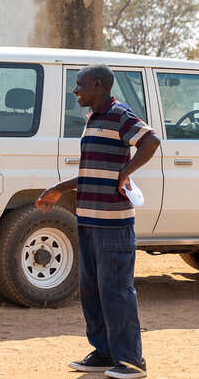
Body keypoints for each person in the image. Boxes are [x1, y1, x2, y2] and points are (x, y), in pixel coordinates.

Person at [36, 64, 160, 379]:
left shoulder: (120, 114)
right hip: (88, 220)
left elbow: (152, 141)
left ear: (97, 84)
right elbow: (93, 171)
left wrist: (126, 172)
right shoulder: (93, 119)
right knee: (92, 289)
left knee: (116, 290)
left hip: (113, 224)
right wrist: (59, 189)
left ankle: (131, 361)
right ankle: (104, 353)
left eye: (79, 85)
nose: (75, 91)